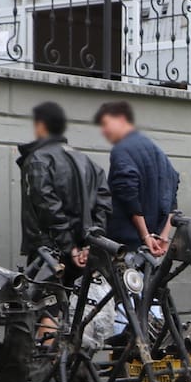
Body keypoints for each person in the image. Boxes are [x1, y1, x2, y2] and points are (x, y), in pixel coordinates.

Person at [17, 101, 112, 280]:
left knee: (45, 297)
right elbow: (104, 205)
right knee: (79, 297)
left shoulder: (38, 160)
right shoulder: (88, 162)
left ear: (41, 125)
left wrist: (69, 247)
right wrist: (90, 246)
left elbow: (47, 206)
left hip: (49, 255)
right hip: (83, 254)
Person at [94, 100, 179, 256]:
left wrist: (145, 236)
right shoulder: (157, 150)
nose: (104, 131)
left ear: (121, 119)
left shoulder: (121, 150)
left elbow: (128, 194)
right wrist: (164, 237)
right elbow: (173, 193)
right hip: (153, 248)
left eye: (106, 124)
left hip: (125, 247)